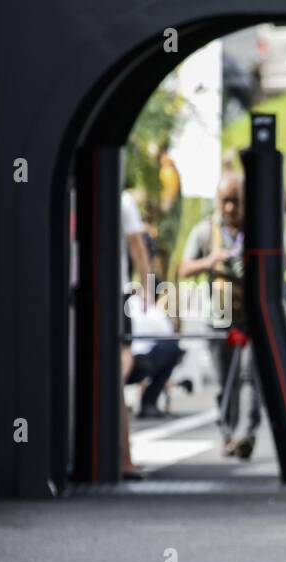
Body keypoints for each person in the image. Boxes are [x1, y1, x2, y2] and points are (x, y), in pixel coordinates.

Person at [179, 173, 263, 460]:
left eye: (236, 202)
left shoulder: (258, 228)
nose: (230, 208)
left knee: (251, 376)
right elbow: (184, 268)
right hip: (219, 317)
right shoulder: (205, 232)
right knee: (226, 379)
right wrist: (210, 261)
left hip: (253, 316)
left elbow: (284, 259)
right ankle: (228, 433)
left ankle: (247, 434)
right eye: (225, 201)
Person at [119, 188, 153, 479]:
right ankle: (124, 459)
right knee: (122, 359)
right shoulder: (124, 201)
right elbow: (137, 245)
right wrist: (149, 286)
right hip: (116, 293)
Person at [125, 294, 184, 419]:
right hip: (134, 360)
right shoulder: (154, 311)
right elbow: (168, 336)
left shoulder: (128, 303)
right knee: (173, 348)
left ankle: (147, 403)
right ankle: (148, 403)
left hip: (130, 358)